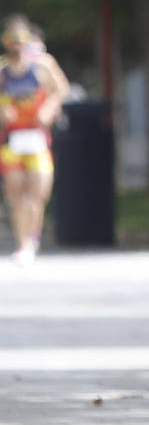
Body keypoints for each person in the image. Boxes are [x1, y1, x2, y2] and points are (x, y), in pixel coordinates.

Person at [1, 16, 70, 265]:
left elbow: (61, 88)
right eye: (11, 40)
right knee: (16, 193)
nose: (16, 45)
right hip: (12, 141)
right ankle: (23, 244)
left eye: (21, 39)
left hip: (37, 138)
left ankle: (32, 236)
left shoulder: (42, 66)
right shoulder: (2, 71)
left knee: (38, 193)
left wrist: (49, 109)